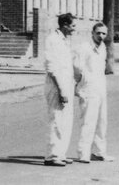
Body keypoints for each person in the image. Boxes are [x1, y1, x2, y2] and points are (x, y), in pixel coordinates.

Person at [74, 21, 114, 163]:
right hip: (88, 89)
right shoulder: (84, 47)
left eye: (103, 33)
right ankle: (83, 153)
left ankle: (99, 152)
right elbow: (77, 68)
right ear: (92, 33)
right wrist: (82, 83)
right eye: (98, 33)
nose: (101, 36)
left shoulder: (102, 47)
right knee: (88, 122)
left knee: (102, 122)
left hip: (100, 88)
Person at [43, 12, 76, 167]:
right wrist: (61, 90)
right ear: (65, 25)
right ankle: (52, 155)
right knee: (56, 120)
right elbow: (52, 67)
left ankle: (61, 153)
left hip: (66, 85)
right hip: (56, 87)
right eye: (73, 26)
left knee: (66, 121)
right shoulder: (53, 40)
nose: (74, 29)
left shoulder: (65, 41)